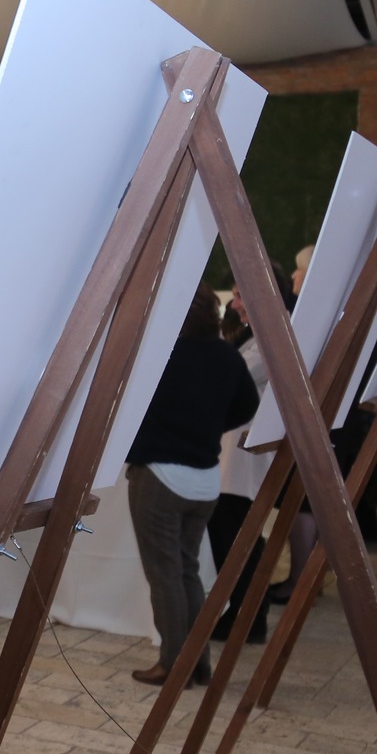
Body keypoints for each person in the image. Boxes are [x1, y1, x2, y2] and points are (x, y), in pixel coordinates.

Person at [127, 286, 259, 688]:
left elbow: (128, 407)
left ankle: (173, 664)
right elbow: (247, 406)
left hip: (160, 477)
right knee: (187, 571)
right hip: (204, 480)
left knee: (164, 574)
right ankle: (197, 662)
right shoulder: (227, 356)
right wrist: (208, 426)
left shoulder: (162, 356)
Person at [209, 286, 272, 644]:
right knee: (233, 534)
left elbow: (235, 376)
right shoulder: (253, 334)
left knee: (237, 536)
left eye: (240, 295)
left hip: (241, 451)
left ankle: (247, 616)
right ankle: (244, 611)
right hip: (233, 449)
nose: (234, 304)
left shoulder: (270, 335)